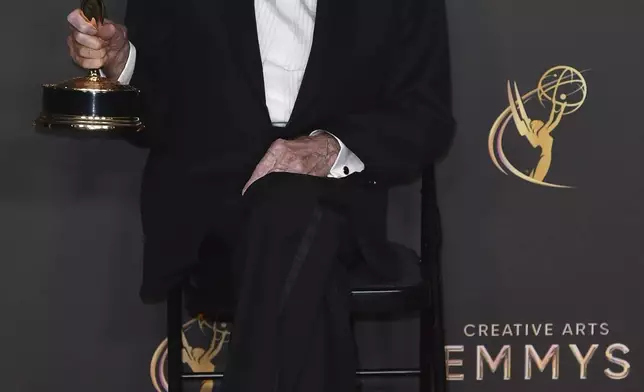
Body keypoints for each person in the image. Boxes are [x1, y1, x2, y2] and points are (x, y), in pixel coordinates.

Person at [67, 0, 454, 390]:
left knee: (293, 210)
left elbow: (426, 116)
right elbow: (153, 119)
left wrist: (329, 148)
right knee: (300, 240)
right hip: (212, 208)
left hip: (340, 198)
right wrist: (121, 65)